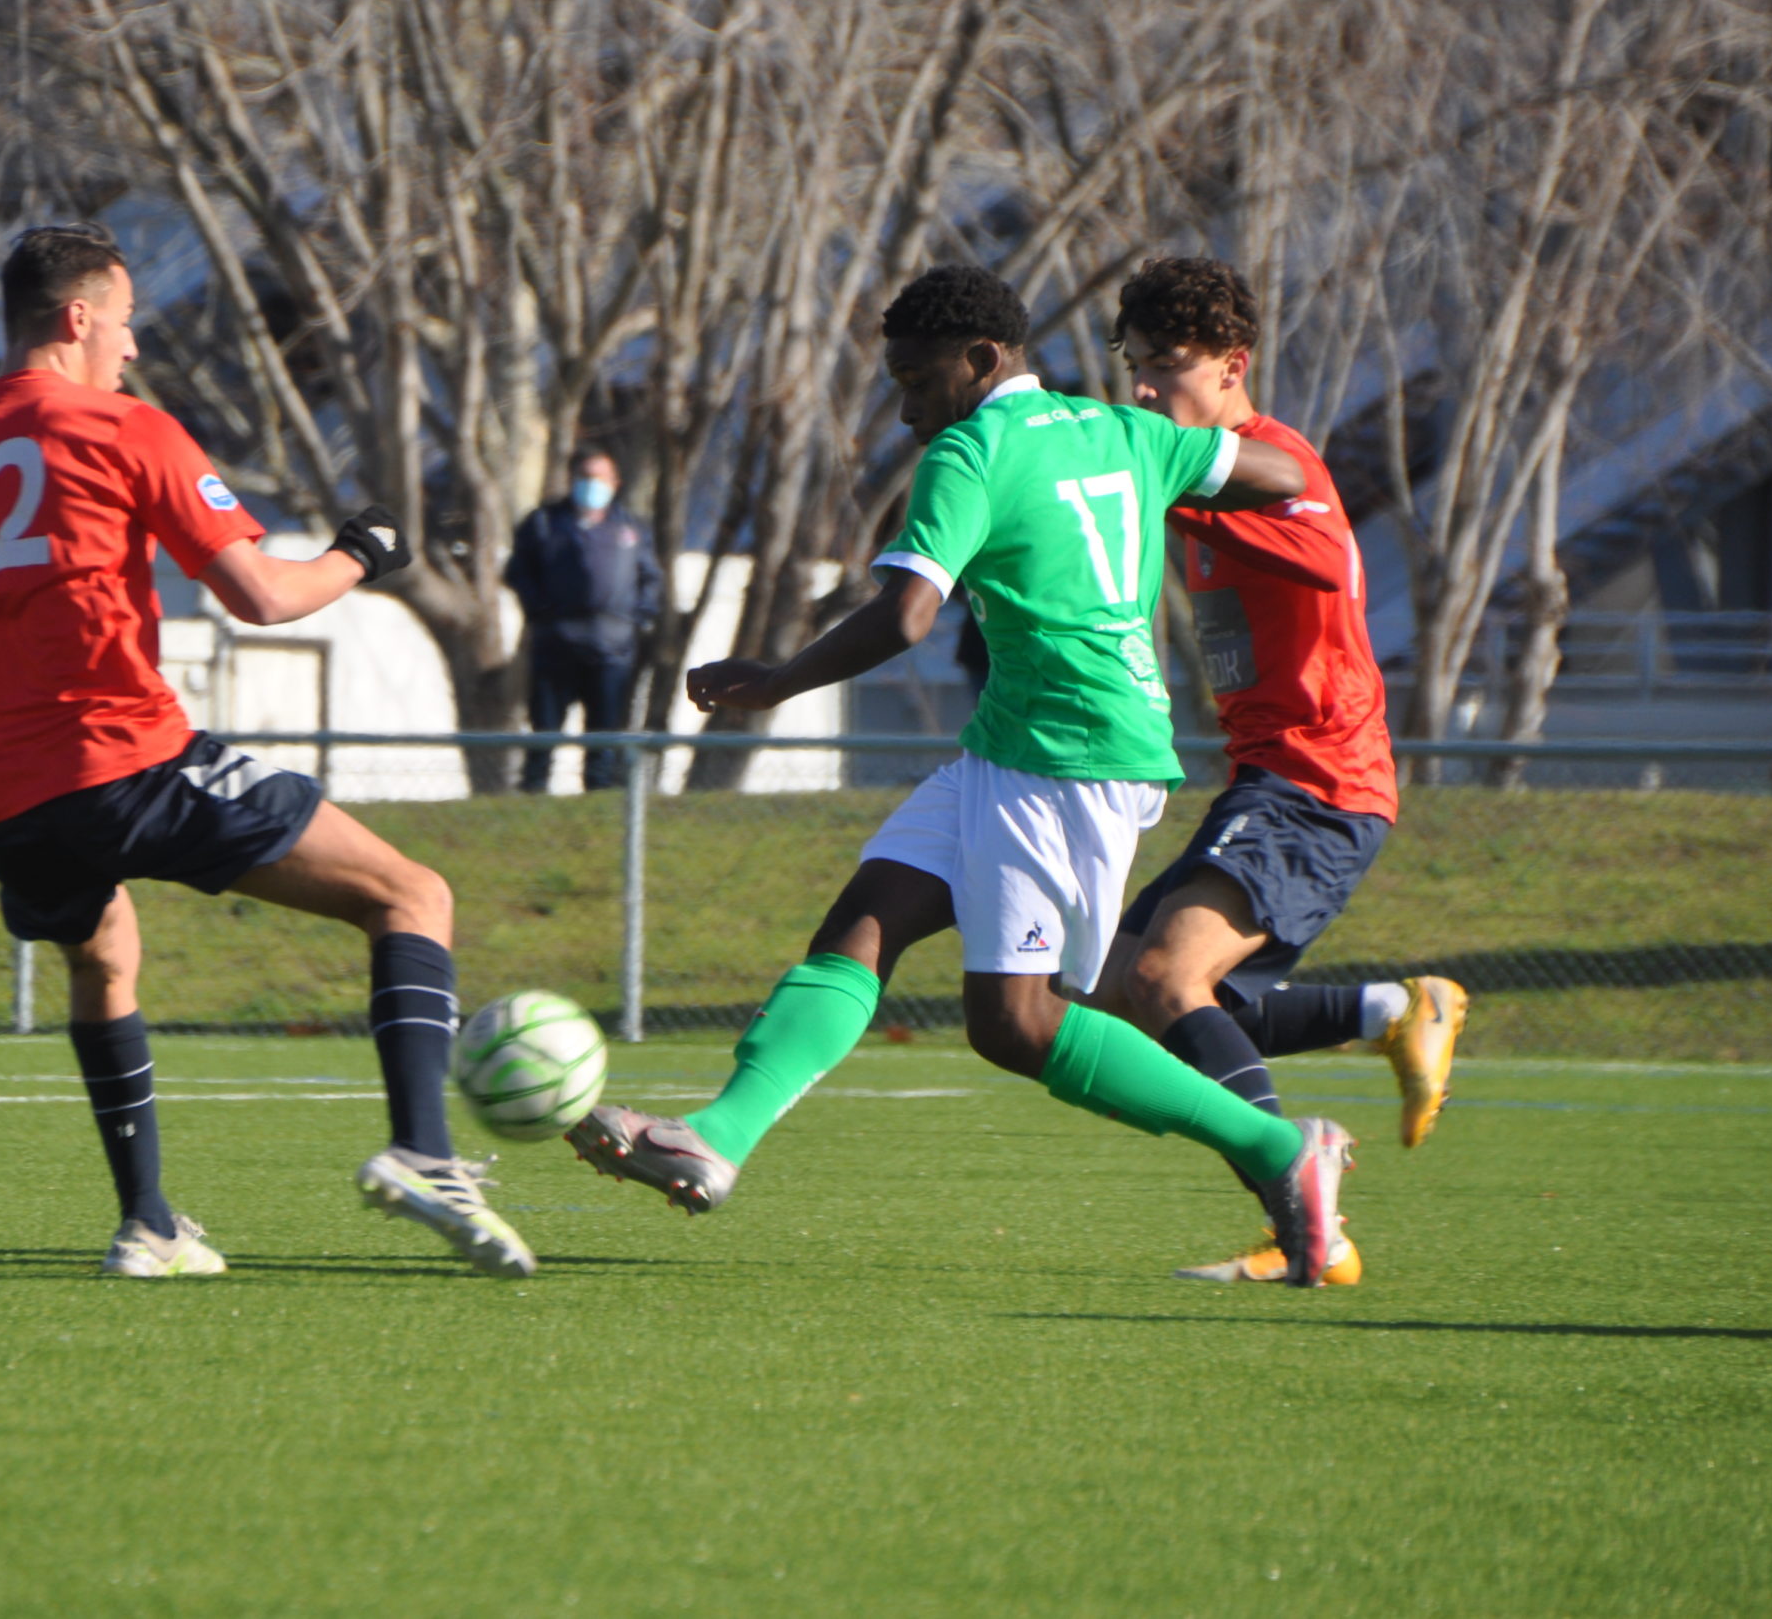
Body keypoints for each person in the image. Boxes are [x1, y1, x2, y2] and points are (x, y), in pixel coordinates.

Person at [0, 222, 536, 1279]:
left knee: (104, 953)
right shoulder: (127, 429)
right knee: (411, 895)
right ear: (78, 318)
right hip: (126, 761)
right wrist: (361, 553)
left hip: (2, 807)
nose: (132, 344)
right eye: (124, 321)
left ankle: (149, 1225)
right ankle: (425, 1154)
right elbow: (263, 596)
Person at [566, 263, 1361, 1286]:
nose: (905, 409)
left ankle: (1279, 1149)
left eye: (915, 380)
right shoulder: (1118, 430)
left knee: (1015, 1024)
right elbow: (1282, 474)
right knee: (866, 920)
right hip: (1015, 744)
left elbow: (906, 616)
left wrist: (776, 680)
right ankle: (718, 1136)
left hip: (1065, 757)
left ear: (982, 359)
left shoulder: (969, 451)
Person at [1088, 256, 1466, 1287]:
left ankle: (1308, 1222)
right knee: (1120, 989)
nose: (1145, 388)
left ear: (1231, 365)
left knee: (1167, 978)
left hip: (1320, 774)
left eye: (1167, 365)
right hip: (1270, 775)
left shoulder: (1272, 461)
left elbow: (1329, 559)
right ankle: (1390, 1013)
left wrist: (1187, 502)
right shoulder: (1192, 472)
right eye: (1135, 365)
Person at [505, 448, 664, 793]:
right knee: (545, 729)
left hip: (612, 648)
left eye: (600, 477)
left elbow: (650, 579)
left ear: (615, 482)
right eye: (586, 477)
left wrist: (638, 617)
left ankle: (599, 796)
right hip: (556, 643)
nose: (593, 484)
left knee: (604, 732)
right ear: (572, 479)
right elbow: (518, 572)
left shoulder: (630, 528)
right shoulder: (544, 523)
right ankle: (533, 793)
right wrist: (541, 610)